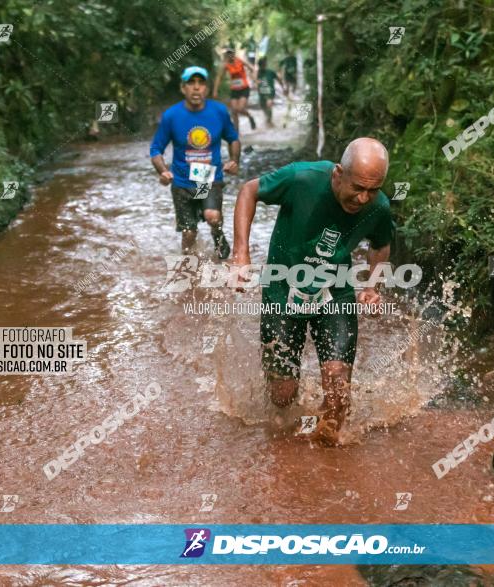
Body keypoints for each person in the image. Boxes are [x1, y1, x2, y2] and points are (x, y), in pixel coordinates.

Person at [232, 138, 395, 445]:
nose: (362, 199)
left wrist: (373, 286)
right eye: (357, 187)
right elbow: (249, 191)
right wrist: (241, 253)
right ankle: (285, 444)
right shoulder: (301, 178)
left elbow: (381, 243)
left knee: (337, 395)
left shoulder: (379, 207)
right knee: (283, 394)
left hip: (335, 295)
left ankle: (326, 465)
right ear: (337, 174)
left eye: (372, 190)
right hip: (283, 291)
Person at [150, 65, 239, 259]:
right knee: (189, 233)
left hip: (207, 177)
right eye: (191, 83)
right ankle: (188, 271)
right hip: (182, 181)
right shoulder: (171, 116)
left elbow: (233, 138)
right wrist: (163, 171)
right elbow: (156, 149)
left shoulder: (219, 112)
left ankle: (217, 232)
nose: (196, 88)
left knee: (212, 217)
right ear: (183, 88)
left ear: (206, 88)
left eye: (201, 83)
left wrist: (234, 160)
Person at [213, 48, 257, 133]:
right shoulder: (226, 65)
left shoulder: (240, 61)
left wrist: (254, 78)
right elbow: (219, 77)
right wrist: (215, 90)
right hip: (234, 89)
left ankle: (250, 116)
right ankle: (236, 132)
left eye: (231, 53)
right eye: (228, 54)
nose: (230, 55)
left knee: (240, 108)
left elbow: (252, 68)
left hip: (244, 88)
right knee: (233, 110)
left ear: (233, 54)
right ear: (226, 56)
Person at [255, 57, 286, 128]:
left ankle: (269, 121)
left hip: (270, 92)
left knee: (269, 105)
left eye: (264, 64)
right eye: (261, 65)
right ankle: (268, 119)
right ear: (259, 65)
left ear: (265, 65)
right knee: (263, 107)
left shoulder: (270, 72)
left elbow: (279, 80)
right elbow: (256, 81)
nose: (263, 66)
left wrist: (283, 88)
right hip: (262, 93)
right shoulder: (257, 73)